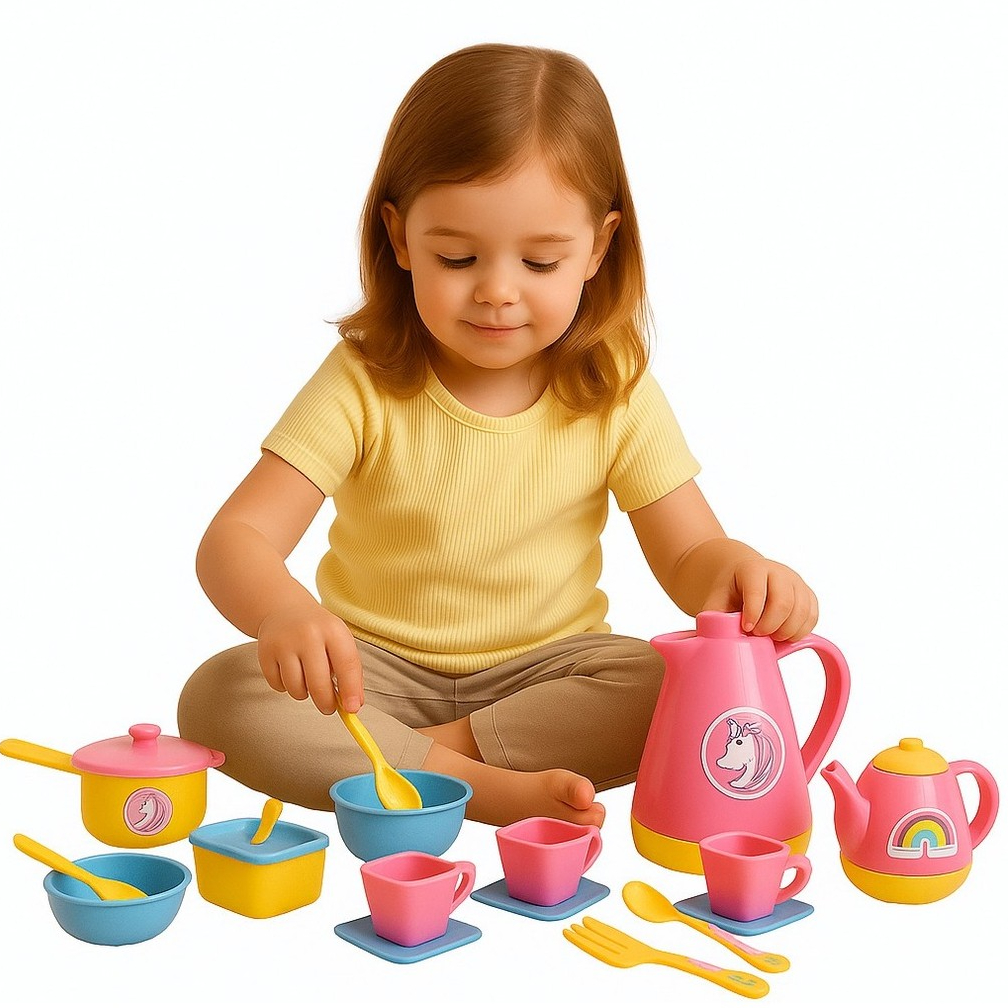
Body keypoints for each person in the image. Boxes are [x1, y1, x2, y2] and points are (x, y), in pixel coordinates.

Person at [178, 43, 818, 828]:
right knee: (222, 694)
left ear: (598, 248)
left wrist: (743, 573)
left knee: (672, 682)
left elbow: (690, 557)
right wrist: (284, 613)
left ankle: (416, 770)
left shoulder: (613, 385)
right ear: (400, 237)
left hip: (546, 679)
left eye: (541, 263)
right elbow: (236, 537)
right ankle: (480, 787)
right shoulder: (363, 378)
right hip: (369, 675)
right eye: (457, 257)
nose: (497, 292)